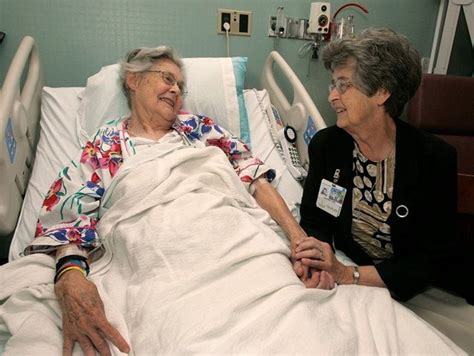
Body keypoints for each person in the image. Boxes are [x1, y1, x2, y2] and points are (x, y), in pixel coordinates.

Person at [25, 46, 334, 355]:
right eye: (167, 78)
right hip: (155, 255)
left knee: (299, 326)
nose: (176, 90)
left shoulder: (200, 129)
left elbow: (254, 179)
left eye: (181, 87)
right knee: (182, 334)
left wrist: (298, 241)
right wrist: (70, 274)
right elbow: (70, 212)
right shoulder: (104, 145)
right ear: (133, 80)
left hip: (232, 236)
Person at [295, 28, 464, 302]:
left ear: (382, 92)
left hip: (421, 291)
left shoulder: (433, 158)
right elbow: (316, 220)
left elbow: (429, 261)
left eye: (343, 85)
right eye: (332, 85)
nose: (332, 97)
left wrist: (349, 274)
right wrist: (320, 260)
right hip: (354, 273)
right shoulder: (327, 146)